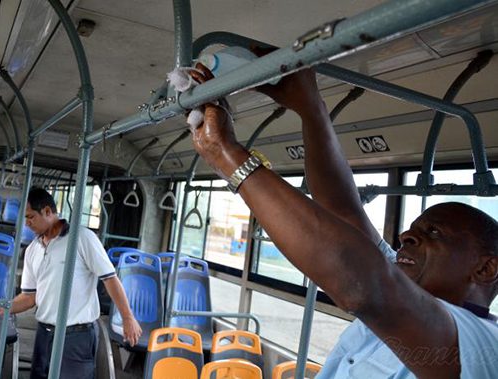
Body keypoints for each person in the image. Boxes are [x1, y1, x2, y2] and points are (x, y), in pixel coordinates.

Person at [187, 63, 498, 378]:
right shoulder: (399, 279)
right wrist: (310, 108)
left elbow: (363, 285)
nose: (405, 236)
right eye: (412, 229)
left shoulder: (486, 347)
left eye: (433, 232)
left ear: (486, 268)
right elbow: (341, 208)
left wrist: (227, 155)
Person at [4, 187, 142, 379]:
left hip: (77, 336)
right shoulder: (32, 250)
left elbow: (110, 278)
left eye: (31, 217)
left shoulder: (82, 238)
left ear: (47, 211)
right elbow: (29, 297)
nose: (26, 224)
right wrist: (3, 308)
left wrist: (127, 317)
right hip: (44, 332)